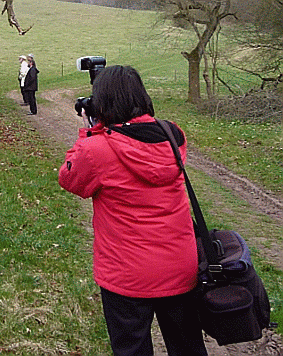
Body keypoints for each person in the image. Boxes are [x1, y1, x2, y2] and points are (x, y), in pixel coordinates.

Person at [58, 65, 207, 356]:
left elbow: (70, 179)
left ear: (102, 103)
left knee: (131, 349)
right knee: (188, 346)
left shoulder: (97, 149)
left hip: (126, 274)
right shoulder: (172, 134)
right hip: (180, 265)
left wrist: (91, 129)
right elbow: (139, 131)